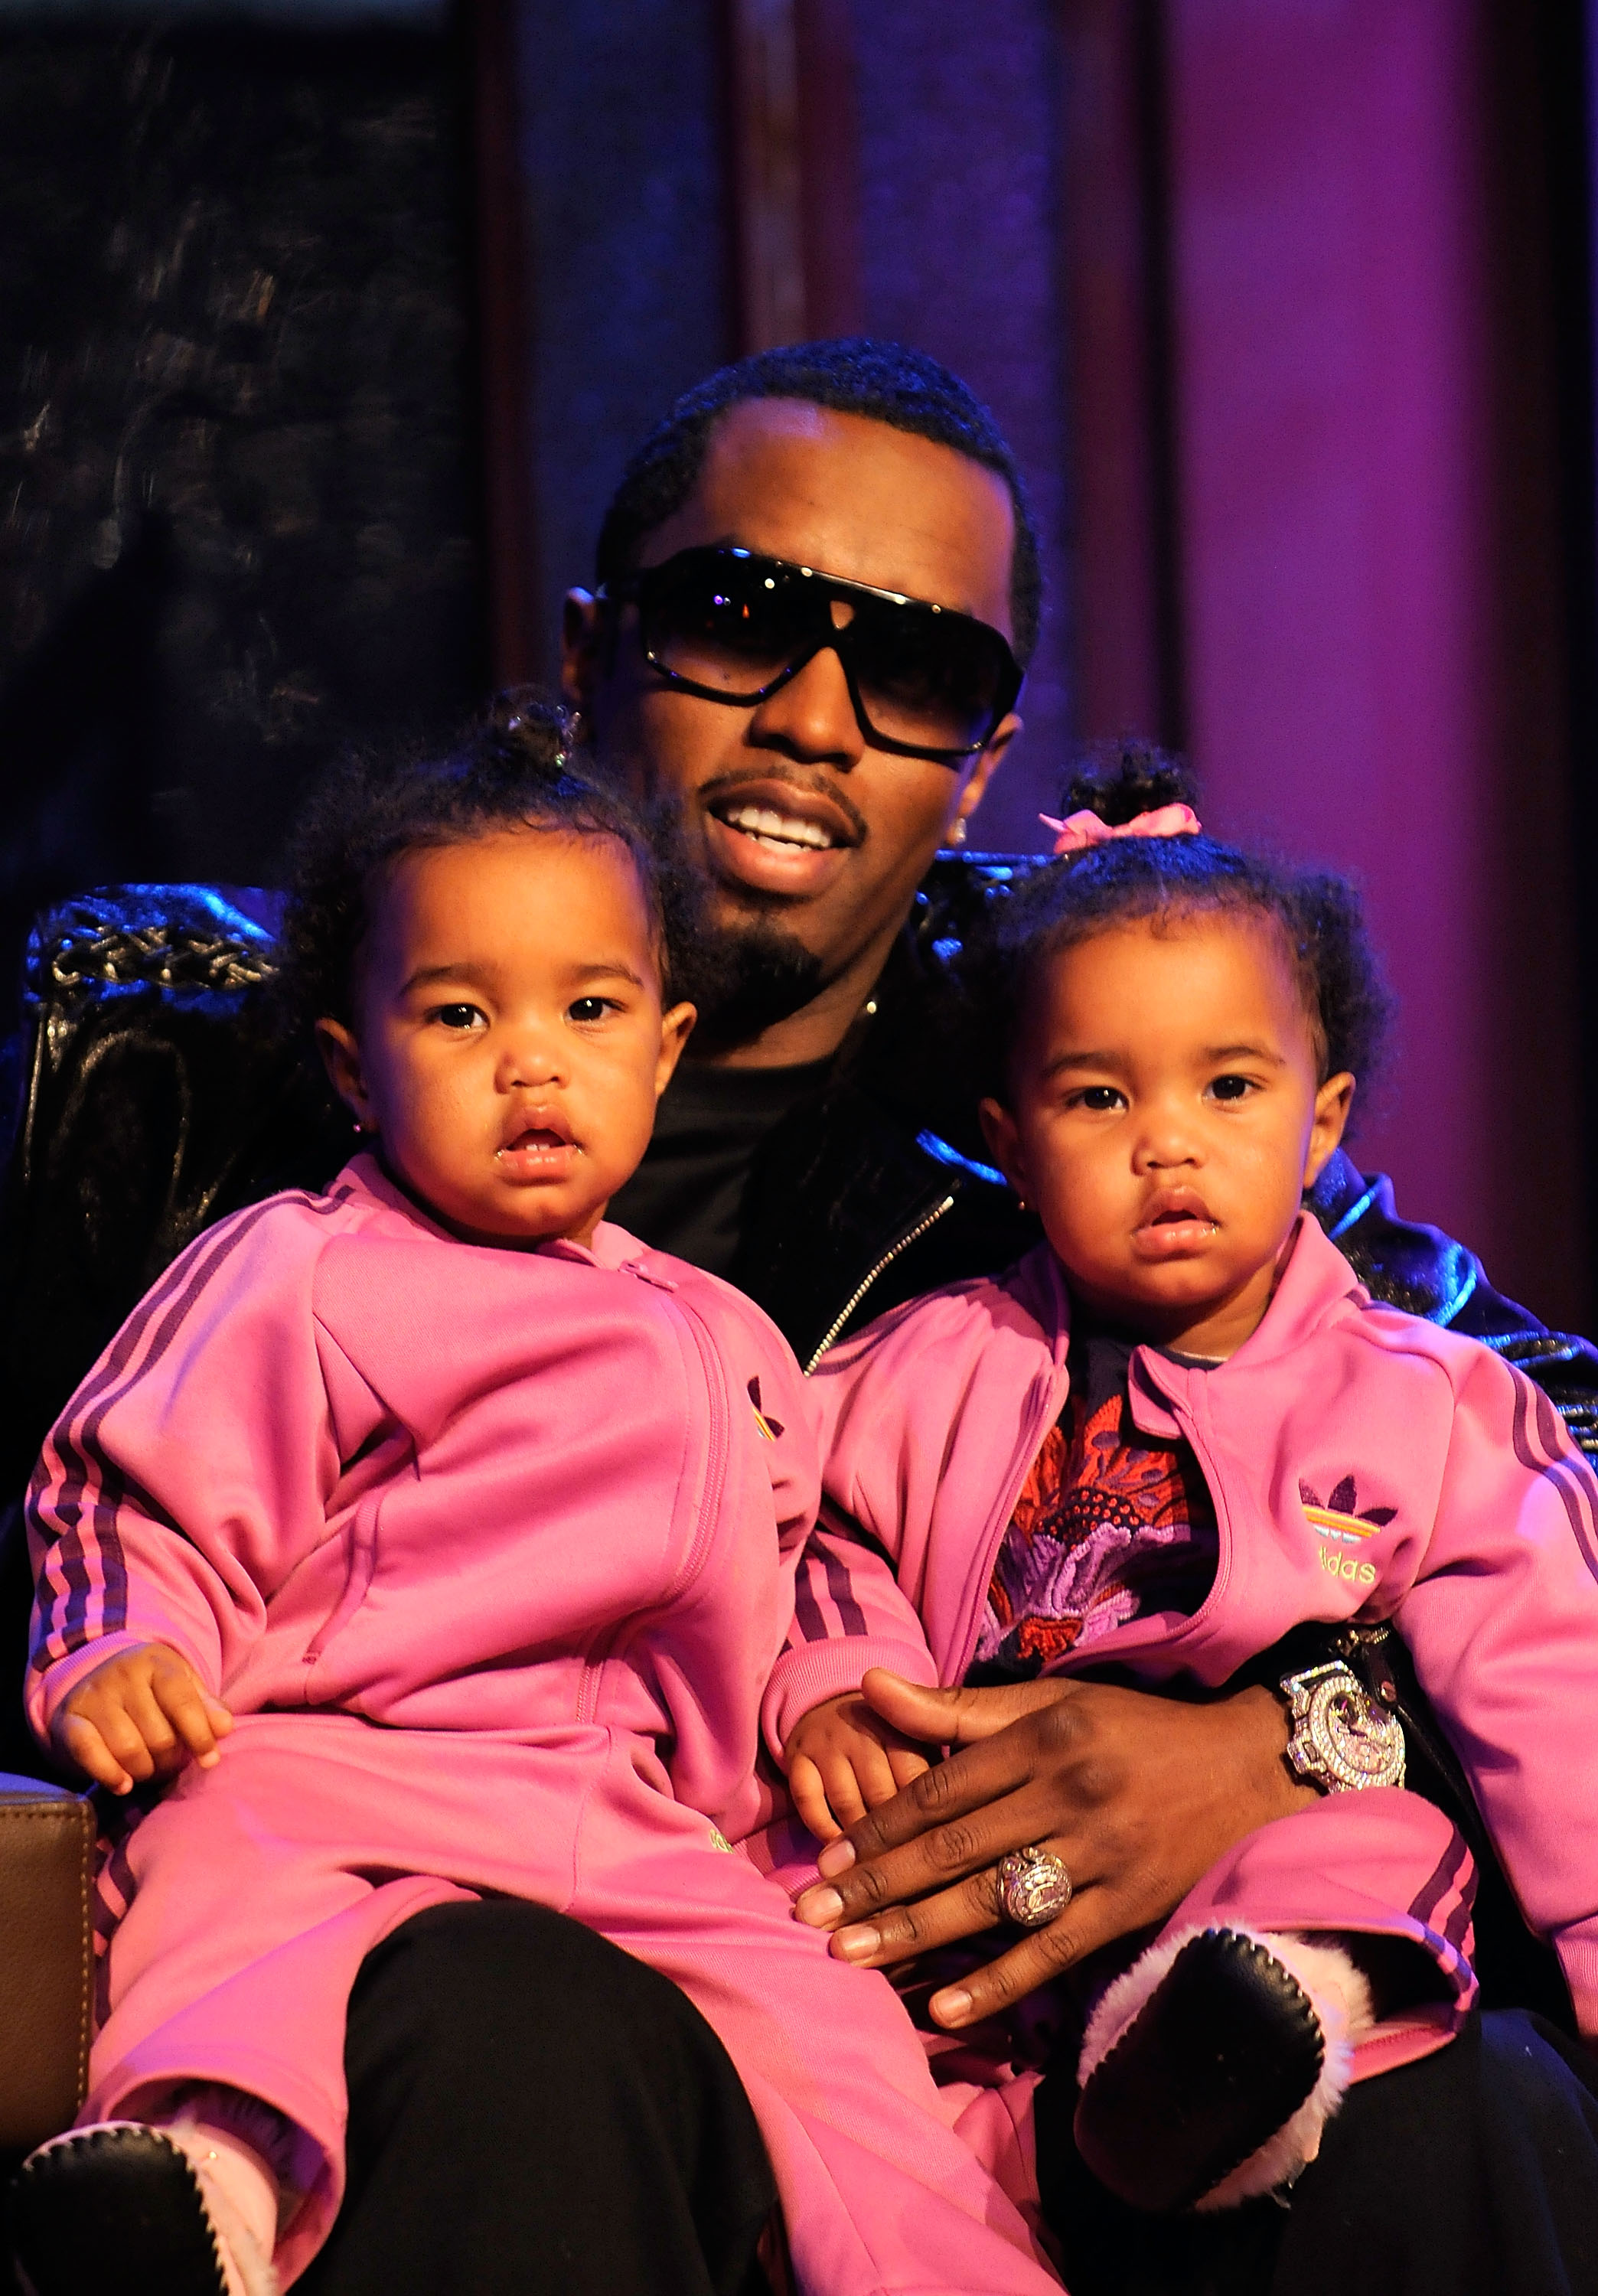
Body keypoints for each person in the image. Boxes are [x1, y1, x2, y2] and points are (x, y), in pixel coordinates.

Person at [10, 719, 1061, 2296]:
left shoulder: (725, 1331)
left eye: (589, 1007)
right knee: (224, 1912)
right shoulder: (296, 1270)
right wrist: (123, 1651)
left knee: (844, 2044)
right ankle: (195, 2192)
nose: (532, 1059)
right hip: (345, 1774)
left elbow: (813, 1557)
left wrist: (835, 1691)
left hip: (653, 1826)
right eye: (459, 1012)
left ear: (664, 1045)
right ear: (357, 1067)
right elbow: (127, 1483)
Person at [776, 754, 1598, 2232]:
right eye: (1100, 1097)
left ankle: (1227, 2060)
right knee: (807, 1922)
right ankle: (990, 2164)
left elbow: (1557, 1681)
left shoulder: (1437, 1399)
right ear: (1015, 1145)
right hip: (974, 1889)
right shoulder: (924, 1362)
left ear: (1323, 1121)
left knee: (1382, 1845)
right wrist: (838, 1677)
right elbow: (807, 1528)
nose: (1169, 1142)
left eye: (1229, 1086)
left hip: (1255, 1872)